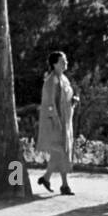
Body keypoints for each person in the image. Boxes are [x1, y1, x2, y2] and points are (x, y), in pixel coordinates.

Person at [36, 51, 75, 195]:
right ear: (54, 64)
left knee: (60, 152)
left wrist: (73, 102)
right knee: (61, 151)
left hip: (65, 121)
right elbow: (49, 104)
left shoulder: (64, 79)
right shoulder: (50, 81)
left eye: (66, 60)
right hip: (55, 123)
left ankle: (51, 180)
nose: (66, 63)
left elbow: (66, 98)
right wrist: (56, 121)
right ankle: (62, 185)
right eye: (62, 61)